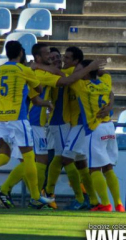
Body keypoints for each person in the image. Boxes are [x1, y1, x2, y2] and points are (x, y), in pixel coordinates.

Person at [0, 41, 55, 209]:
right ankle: (35, 197)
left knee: (3, 155)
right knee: (29, 157)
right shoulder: (24, 71)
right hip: (17, 117)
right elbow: (38, 89)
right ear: (21, 53)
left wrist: (1, 103)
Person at [30, 44, 104, 209]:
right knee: (66, 160)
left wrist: (94, 69)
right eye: (54, 57)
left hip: (72, 124)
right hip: (59, 122)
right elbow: (67, 79)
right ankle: (67, 197)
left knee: (75, 162)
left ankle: (89, 200)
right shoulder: (52, 74)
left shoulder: (71, 72)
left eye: (60, 57)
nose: (58, 60)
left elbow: (96, 76)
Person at [71, 60, 125, 212]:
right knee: (108, 168)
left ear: (87, 72)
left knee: (94, 169)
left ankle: (106, 204)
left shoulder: (81, 86)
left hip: (94, 129)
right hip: (109, 127)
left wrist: (87, 68)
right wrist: (93, 69)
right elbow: (105, 73)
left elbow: (71, 78)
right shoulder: (106, 82)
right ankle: (119, 204)